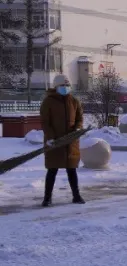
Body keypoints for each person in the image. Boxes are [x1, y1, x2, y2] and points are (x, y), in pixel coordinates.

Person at [39, 75, 85, 207]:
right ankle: (47, 198)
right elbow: (45, 122)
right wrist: (51, 137)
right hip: (54, 142)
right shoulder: (48, 101)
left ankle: (76, 196)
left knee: (72, 170)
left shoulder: (74, 101)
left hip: (71, 142)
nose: (65, 88)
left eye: (67, 86)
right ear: (56, 87)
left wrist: (77, 128)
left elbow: (79, 118)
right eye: (62, 86)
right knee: (52, 169)